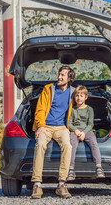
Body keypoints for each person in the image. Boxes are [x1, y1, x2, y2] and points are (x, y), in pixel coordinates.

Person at [31, 66, 76, 199]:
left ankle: (62, 184)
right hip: (46, 126)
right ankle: (37, 185)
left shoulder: (73, 92)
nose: (59, 77)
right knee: (40, 144)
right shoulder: (48, 89)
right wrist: (40, 126)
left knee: (67, 145)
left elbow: (80, 108)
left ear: (69, 78)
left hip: (62, 127)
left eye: (63, 75)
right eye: (59, 74)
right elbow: (40, 109)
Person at [66, 85, 105, 181]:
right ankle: (71, 169)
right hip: (74, 130)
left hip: (87, 130)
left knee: (94, 143)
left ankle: (98, 167)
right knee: (72, 145)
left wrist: (83, 133)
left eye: (81, 96)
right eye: (77, 96)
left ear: (86, 97)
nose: (79, 98)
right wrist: (76, 130)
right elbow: (69, 122)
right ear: (74, 97)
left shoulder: (89, 109)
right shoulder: (72, 109)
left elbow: (90, 124)